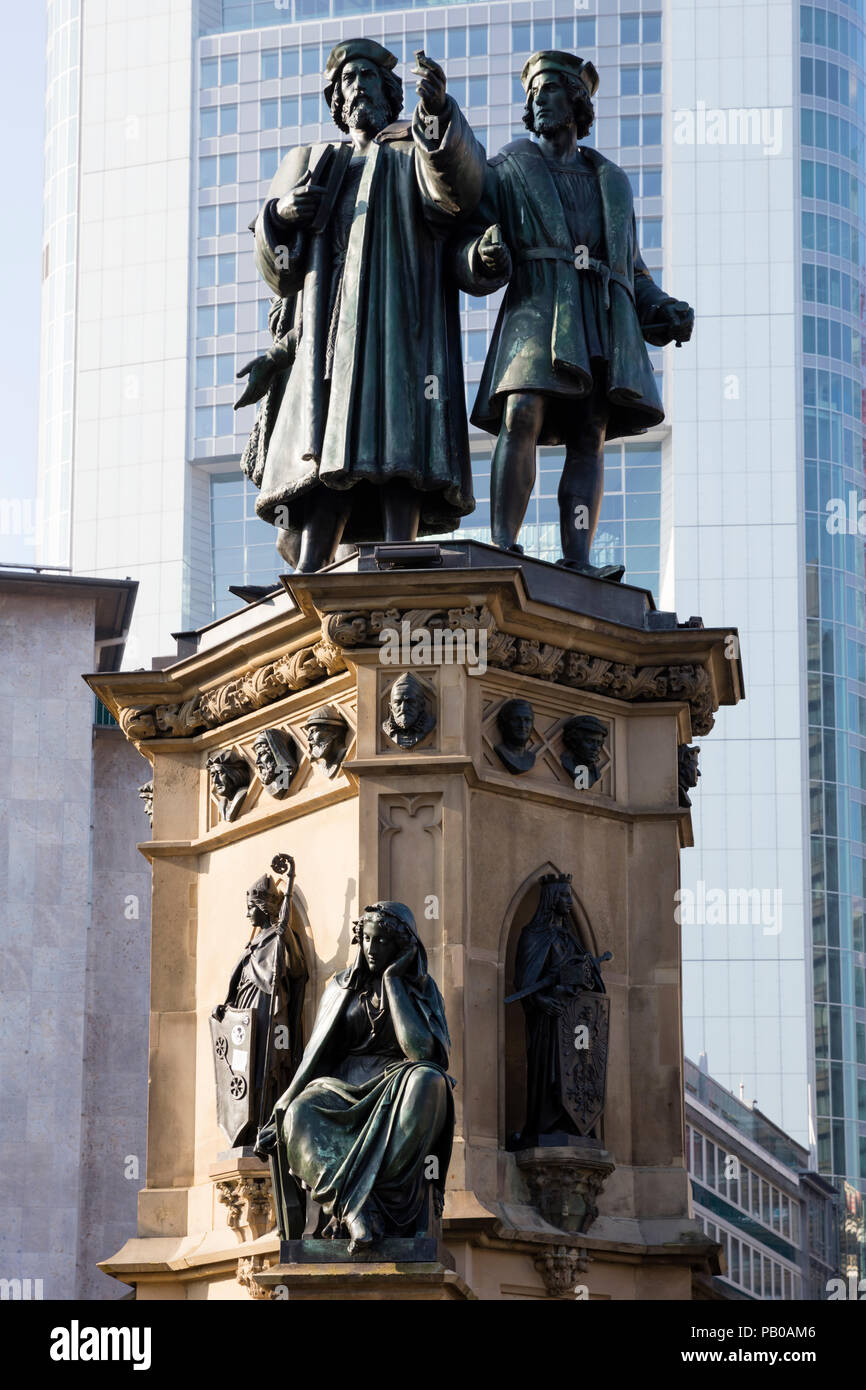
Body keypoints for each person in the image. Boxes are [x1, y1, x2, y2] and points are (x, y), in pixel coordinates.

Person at [236, 39, 493, 571]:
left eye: (369, 78)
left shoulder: (414, 149)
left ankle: (402, 550)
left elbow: (461, 193)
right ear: (336, 98)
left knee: (401, 434)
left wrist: (439, 112)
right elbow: (276, 267)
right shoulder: (311, 161)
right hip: (328, 333)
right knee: (329, 448)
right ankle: (310, 566)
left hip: (404, 323)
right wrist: (282, 212)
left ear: (390, 90)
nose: (358, 88)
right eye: (348, 80)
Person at [453, 50, 694, 579]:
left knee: (590, 434)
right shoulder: (509, 167)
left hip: (599, 318)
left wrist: (665, 308)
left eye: (551, 90)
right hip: (536, 309)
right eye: (533, 93)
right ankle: (503, 543)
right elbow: (469, 240)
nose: (538, 100)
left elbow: (633, 270)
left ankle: (578, 561)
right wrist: (483, 255)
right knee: (522, 414)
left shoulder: (611, 180)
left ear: (578, 103)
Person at [258, 902, 453, 1251]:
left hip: (399, 1079)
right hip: (340, 1085)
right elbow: (313, 1056)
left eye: (382, 942)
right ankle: (356, 1209)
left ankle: (365, 1204)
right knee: (300, 1111)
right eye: (367, 939)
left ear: (402, 946)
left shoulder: (421, 990)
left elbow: (422, 1053)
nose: (372, 950)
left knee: (429, 1080)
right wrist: (283, 1104)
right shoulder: (339, 988)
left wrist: (393, 981)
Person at [212, 870, 308, 1147]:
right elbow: (238, 985)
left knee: (266, 1068)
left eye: (250, 909)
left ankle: (266, 1122)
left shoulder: (278, 937)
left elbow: (299, 969)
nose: (247, 916)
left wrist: (285, 933)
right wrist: (226, 1009)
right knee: (245, 1068)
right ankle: (248, 1125)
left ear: (263, 909)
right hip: (245, 1018)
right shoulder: (250, 946)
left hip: (267, 1012)